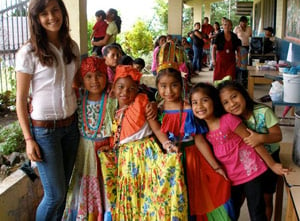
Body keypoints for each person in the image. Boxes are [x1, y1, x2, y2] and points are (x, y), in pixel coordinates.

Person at [15, 0, 80, 220]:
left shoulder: (71, 47)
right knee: (54, 195)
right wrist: (28, 139)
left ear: (62, 10)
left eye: (55, 9)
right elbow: (20, 100)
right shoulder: (29, 52)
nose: (52, 16)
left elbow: (75, 84)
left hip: (71, 128)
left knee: (65, 192)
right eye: (44, 13)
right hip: (44, 132)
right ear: (36, 19)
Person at [98, 65, 188, 220]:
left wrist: (168, 145)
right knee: (132, 196)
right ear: (113, 87)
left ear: (137, 90)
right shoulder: (112, 109)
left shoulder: (141, 103)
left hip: (146, 157)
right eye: (121, 87)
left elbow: (157, 129)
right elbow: (118, 135)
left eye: (131, 88)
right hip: (125, 161)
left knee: (150, 193)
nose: (125, 92)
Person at [190, 82, 288, 221]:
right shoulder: (202, 129)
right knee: (232, 211)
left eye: (205, 100)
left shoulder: (228, 120)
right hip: (231, 177)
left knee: (257, 212)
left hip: (251, 172)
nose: (199, 106)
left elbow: (253, 142)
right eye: (194, 102)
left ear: (214, 102)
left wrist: (272, 165)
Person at [155, 51, 234, 220]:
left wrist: (216, 166)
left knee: (195, 197)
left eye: (174, 85)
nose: (168, 90)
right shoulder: (157, 110)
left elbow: (199, 140)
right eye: (163, 86)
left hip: (191, 160)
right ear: (157, 87)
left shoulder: (190, 110)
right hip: (168, 161)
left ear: (182, 85)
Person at [217, 80, 283, 220]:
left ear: (243, 94)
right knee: (239, 198)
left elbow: (278, 135)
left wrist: (260, 138)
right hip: (247, 164)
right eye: (226, 102)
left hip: (269, 158)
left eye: (234, 96)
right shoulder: (230, 119)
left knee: (265, 198)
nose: (232, 104)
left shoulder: (263, 111)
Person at [63, 57, 111, 220]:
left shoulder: (113, 100)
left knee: (106, 184)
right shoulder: (77, 100)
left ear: (106, 75)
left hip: (107, 153)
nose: (94, 80)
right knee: (85, 183)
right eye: (88, 76)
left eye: (99, 75)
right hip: (84, 154)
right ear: (82, 79)